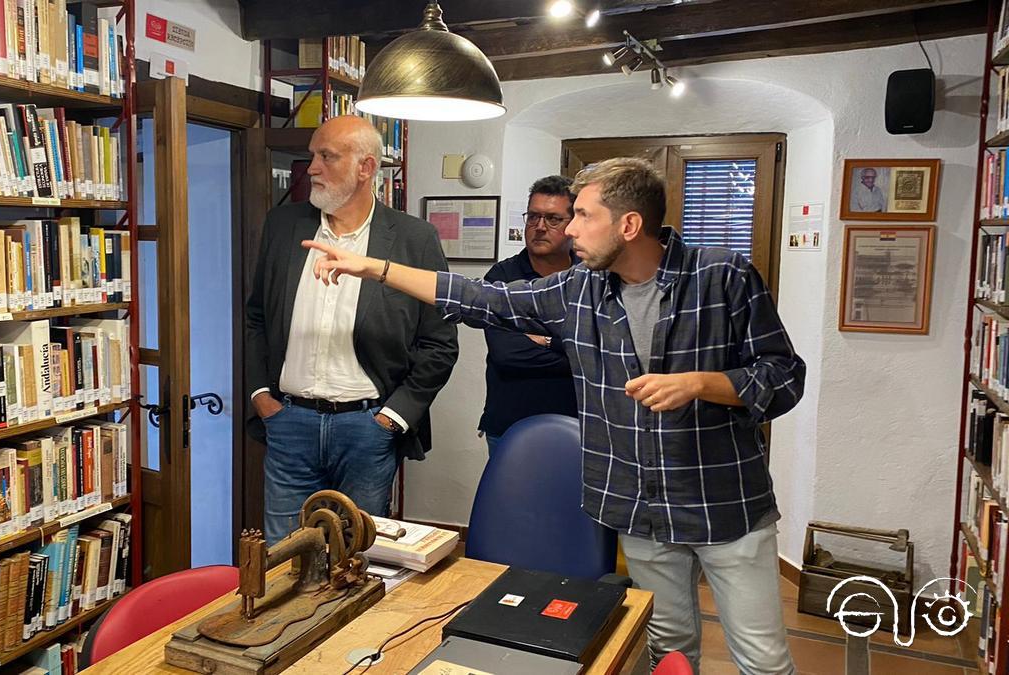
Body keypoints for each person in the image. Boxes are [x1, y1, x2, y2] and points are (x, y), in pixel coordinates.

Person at [304, 157, 805, 674]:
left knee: (761, 659)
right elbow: (483, 298)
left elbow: (785, 377)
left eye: (583, 215)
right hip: (638, 507)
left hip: (724, 504)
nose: (568, 229)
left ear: (628, 225)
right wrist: (374, 268)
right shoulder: (580, 289)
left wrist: (703, 383)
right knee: (667, 650)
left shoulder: (723, 276)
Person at [244, 115, 458, 545]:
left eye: (327, 156)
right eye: (312, 156)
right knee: (282, 555)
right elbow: (257, 318)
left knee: (355, 558)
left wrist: (391, 419)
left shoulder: (414, 239)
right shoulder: (283, 227)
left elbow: (439, 343)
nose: (312, 168)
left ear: (366, 168)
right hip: (289, 422)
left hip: (366, 428)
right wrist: (261, 397)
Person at [479, 175, 578, 455]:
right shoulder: (502, 278)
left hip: (581, 426)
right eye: (533, 217)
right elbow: (508, 354)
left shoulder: (592, 275)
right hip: (512, 426)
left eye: (553, 219)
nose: (540, 227)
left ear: (574, 223)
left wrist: (546, 341)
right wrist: (573, 347)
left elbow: (605, 349)